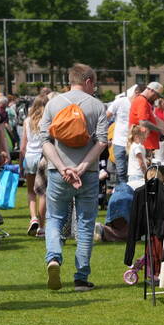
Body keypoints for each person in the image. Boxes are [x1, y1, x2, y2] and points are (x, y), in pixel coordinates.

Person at [39, 63, 109, 292]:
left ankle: (54, 257)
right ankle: (81, 277)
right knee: (86, 223)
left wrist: (61, 168)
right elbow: (101, 141)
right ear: (88, 81)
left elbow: (45, 141)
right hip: (86, 174)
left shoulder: (53, 103)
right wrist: (81, 167)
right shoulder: (97, 106)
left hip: (58, 172)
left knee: (54, 218)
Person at [20, 94, 48, 236]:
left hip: (30, 157)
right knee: (43, 193)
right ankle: (41, 227)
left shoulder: (27, 121)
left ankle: (33, 218)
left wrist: (21, 162)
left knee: (31, 191)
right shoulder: (47, 120)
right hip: (43, 157)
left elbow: (23, 145)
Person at [107, 83, 143, 186]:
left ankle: (130, 194)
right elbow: (106, 116)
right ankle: (122, 195)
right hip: (119, 142)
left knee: (133, 171)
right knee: (121, 171)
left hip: (133, 143)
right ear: (136, 93)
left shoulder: (140, 105)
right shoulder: (120, 101)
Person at [128, 81, 164, 160]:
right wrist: (159, 130)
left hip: (144, 143)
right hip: (143, 143)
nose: (156, 98)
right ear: (151, 90)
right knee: (145, 169)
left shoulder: (143, 101)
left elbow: (153, 119)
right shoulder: (142, 101)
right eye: (157, 95)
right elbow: (143, 122)